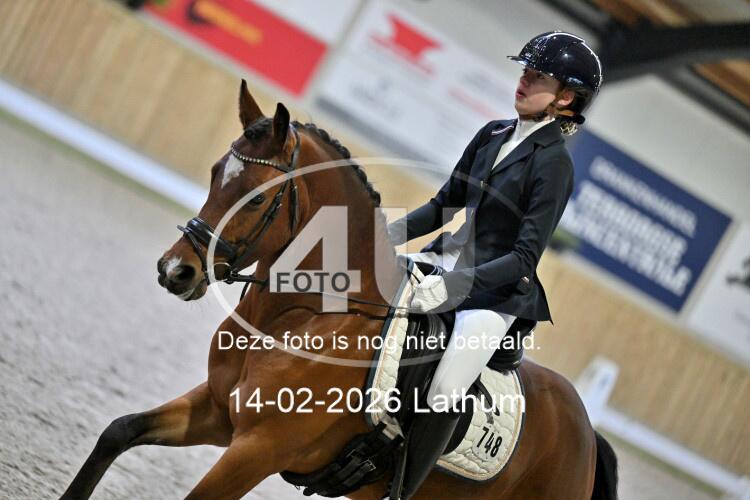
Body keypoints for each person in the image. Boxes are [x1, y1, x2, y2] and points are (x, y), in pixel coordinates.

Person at [386, 31, 603, 499]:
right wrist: (383, 234)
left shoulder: (554, 165)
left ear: (565, 98)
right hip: (445, 258)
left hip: (494, 293)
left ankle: (401, 491)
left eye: (537, 77)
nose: (523, 81)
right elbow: (443, 206)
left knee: (446, 388)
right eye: (525, 71)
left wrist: (455, 286)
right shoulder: (492, 134)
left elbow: (524, 259)